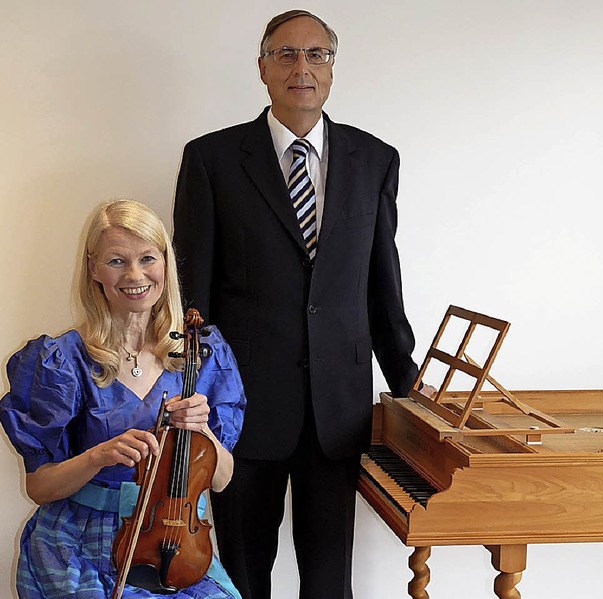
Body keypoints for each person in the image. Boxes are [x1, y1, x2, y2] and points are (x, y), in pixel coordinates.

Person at [172, 9, 419, 599]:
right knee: (241, 570)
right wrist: (195, 395)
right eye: (285, 54)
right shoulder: (211, 160)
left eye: (316, 55)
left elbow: (382, 283)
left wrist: (408, 386)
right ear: (262, 67)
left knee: (330, 577)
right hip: (243, 407)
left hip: (340, 409)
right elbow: (192, 295)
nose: (301, 68)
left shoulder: (375, 159)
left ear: (332, 69)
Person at [0, 199, 246, 598]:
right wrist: (98, 455)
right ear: (94, 268)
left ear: (165, 264)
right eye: (116, 261)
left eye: (148, 258)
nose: (135, 275)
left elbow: (221, 480)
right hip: (77, 543)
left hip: (174, 542)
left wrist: (204, 432)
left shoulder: (203, 354)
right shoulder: (62, 361)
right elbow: (39, 488)